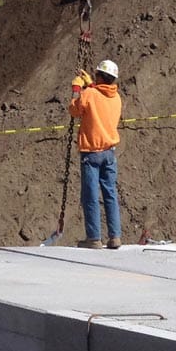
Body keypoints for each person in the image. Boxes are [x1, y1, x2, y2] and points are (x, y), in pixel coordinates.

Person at [69, 59, 123, 248]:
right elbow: (99, 99)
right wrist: (91, 84)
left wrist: (77, 88)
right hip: (109, 153)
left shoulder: (89, 94)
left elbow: (74, 110)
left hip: (91, 153)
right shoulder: (116, 97)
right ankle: (115, 237)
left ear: (100, 76)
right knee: (110, 194)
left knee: (90, 195)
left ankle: (94, 238)